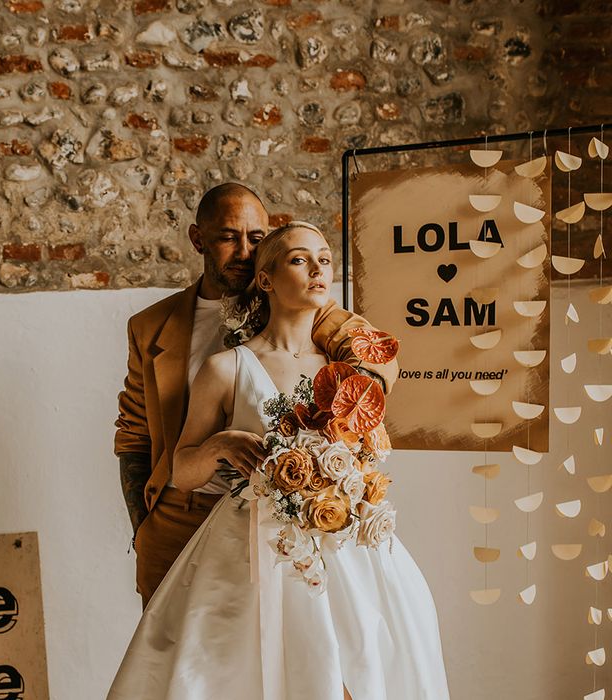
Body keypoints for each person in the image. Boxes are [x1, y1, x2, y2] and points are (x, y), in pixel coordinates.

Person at [108, 223, 449, 700]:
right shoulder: (226, 367)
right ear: (265, 280)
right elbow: (182, 471)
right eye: (298, 260)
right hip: (251, 549)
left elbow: (371, 452)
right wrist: (219, 446)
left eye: (325, 260)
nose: (317, 270)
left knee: (362, 668)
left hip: (345, 546)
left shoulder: (347, 371)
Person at [115, 184, 399, 607]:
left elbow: (375, 357)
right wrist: (144, 525)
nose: (246, 252)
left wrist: (337, 433)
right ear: (199, 240)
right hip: (181, 516)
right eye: (229, 237)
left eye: (257, 238)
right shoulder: (151, 326)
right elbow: (134, 436)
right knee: (177, 663)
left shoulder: (305, 307)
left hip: (272, 525)